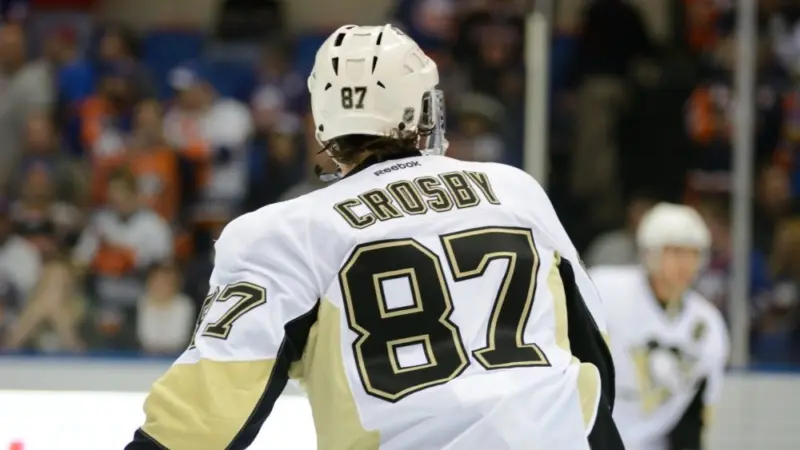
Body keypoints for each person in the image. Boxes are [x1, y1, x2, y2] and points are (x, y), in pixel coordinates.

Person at [126, 25, 622, 450]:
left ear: (324, 121)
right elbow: (591, 347)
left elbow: (205, 413)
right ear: (425, 108)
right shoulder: (514, 189)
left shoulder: (281, 232)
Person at [590, 203, 729, 450]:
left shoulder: (708, 325)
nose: (686, 263)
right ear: (650, 253)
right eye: (675, 252)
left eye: (693, 253)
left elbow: (694, 417)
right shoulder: (605, 290)